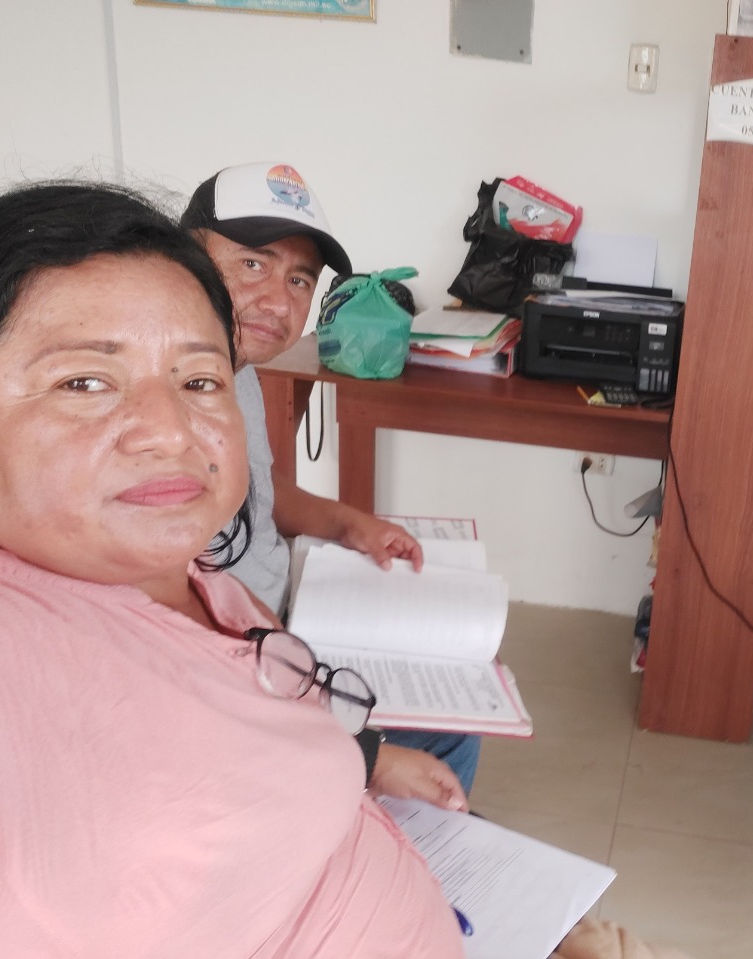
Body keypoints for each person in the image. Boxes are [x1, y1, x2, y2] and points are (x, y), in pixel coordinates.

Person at [0, 181, 466, 955]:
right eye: (83, 382)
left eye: (197, 381)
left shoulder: (201, 572)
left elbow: (263, 493)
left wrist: (350, 524)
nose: (171, 430)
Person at [180, 162, 480, 793]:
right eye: (253, 264)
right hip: (228, 667)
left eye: (299, 279)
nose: (279, 302)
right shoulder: (159, 407)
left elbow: (260, 491)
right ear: (183, 259)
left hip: (287, 622)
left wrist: (348, 524)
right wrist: (363, 753)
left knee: (455, 690)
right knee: (437, 739)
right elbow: (169, 622)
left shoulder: (238, 370)